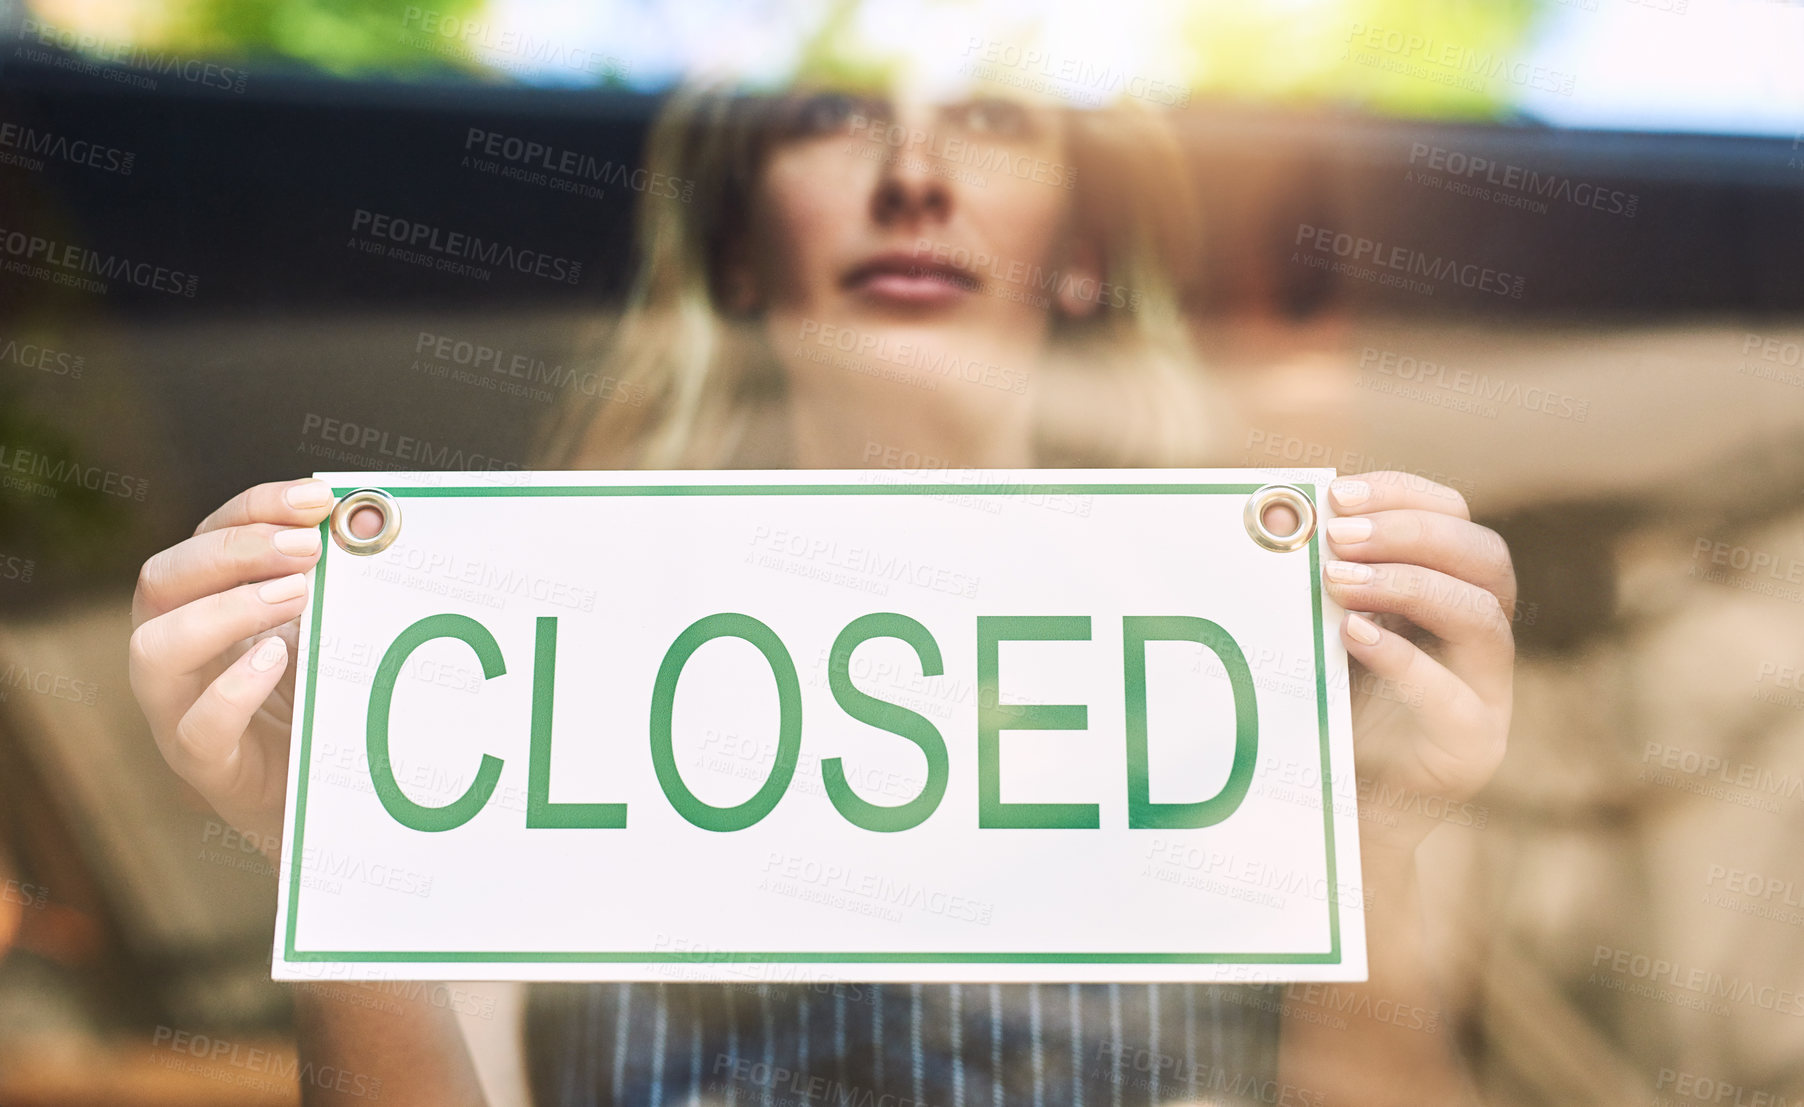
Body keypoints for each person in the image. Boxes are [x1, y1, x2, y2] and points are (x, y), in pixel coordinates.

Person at [127, 61, 1514, 1107]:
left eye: (993, 117)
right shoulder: (523, 641)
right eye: (835, 114)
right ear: (738, 249)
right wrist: (339, 858)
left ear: (1083, 256)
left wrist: (1371, 843)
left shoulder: (1261, 659)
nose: (915, 176)